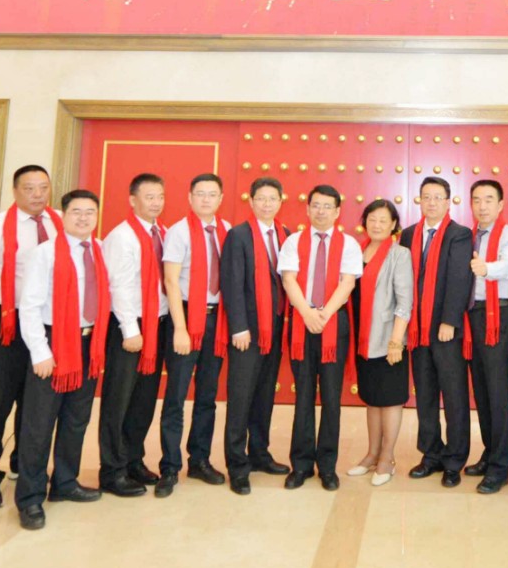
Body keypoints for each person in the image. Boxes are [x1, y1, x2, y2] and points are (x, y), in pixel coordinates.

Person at [0, 164, 59, 510]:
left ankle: (23, 462)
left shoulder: (59, 221)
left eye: (43, 187)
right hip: (9, 322)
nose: (37, 195)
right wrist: (0, 304)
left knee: (35, 399)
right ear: (15, 191)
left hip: (48, 324)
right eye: (29, 188)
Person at [14, 189, 112, 531]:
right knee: (39, 424)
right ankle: (30, 497)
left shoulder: (99, 250)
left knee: (76, 419)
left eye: (90, 212)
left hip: (88, 344)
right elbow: (29, 306)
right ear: (63, 216)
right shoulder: (45, 253)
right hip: (54, 343)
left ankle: (65, 482)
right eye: (76, 212)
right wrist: (40, 352)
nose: (84, 218)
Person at [277, 185, 363, 490]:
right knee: (303, 396)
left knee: (331, 397)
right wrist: (307, 313)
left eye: (327, 206)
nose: (321, 211)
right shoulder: (293, 241)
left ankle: (327, 466)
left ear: (337, 211)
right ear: (307, 208)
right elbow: (288, 279)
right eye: (316, 205)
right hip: (302, 322)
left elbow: (348, 283)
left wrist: (323, 314)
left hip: (333, 322)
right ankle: (300, 465)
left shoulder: (349, 244)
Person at [155, 173, 232, 495]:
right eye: (200, 193)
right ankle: (169, 467)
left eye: (212, 194)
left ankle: (199, 460)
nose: (206, 199)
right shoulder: (179, 231)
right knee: (175, 397)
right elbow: (170, 281)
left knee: (207, 396)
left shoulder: (226, 230)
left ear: (221, 198)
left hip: (217, 321)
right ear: (189, 197)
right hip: (186, 317)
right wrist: (180, 328)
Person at [96, 172, 169, 498]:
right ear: (132, 200)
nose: (156, 203)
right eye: (149, 197)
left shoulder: (162, 233)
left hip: (157, 324)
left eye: (160, 196)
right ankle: (112, 470)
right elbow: (118, 286)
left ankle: (132, 459)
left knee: (143, 399)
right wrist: (130, 329)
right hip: (131, 327)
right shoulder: (122, 237)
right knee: (119, 399)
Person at [220, 177, 293, 495]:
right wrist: (238, 327)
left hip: (274, 327)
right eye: (261, 198)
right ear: (250, 201)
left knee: (264, 393)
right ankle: (237, 465)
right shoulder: (238, 235)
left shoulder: (285, 234)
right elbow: (231, 283)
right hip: (247, 331)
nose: (266, 204)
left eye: (272, 199)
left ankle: (260, 454)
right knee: (240, 398)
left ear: (280, 201)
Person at [401, 176, 474, 487]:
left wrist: (449, 321)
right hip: (417, 328)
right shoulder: (408, 235)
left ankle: (454, 460)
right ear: (419, 200)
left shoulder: (459, 234)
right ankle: (430, 454)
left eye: (437, 197)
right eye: (426, 196)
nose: (431, 202)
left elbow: (459, 279)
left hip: (445, 329)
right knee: (425, 394)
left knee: (454, 396)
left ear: (448, 201)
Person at [346, 199, 413, 486]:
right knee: (372, 398)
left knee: (391, 399)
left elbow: (404, 301)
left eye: (383, 220)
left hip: (387, 338)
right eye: (372, 219)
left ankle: (387, 458)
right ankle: (371, 454)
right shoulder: (356, 251)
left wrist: (396, 341)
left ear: (393, 225)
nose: (376, 225)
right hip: (363, 337)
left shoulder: (400, 254)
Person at [465, 179, 508, 494]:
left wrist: (485, 268)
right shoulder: (469, 235)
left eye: (489, 199)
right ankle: (489, 453)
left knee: (498, 391)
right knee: (482, 389)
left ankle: (500, 467)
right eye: (477, 200)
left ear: (501, 205)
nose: (482, 205)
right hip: (472, 315)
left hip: (496, 315)